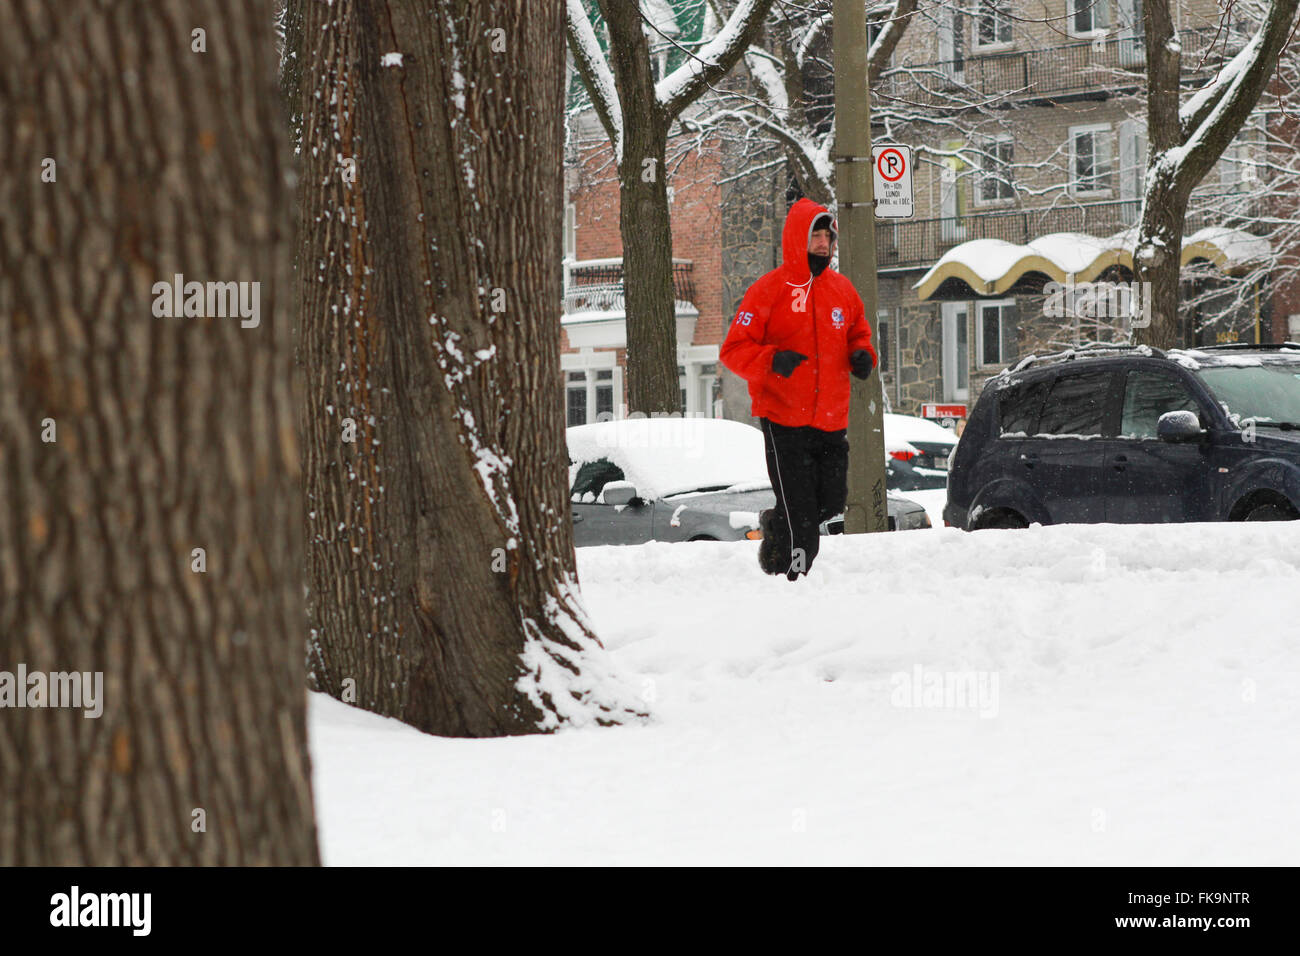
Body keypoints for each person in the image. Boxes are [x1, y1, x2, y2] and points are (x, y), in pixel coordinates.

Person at [720, 198, 877, 581]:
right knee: (803, 516)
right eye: (815, 236)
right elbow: (733, 350)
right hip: (783, 419)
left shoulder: (842, 291)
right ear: (797, 240)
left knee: (829, 503)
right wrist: (772, 360)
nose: (823, 243)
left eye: (828, 236)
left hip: (830, 419)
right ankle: (796, 579)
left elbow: (859, 333)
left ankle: (775, 526)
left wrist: (862, 354)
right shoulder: (767, 291)